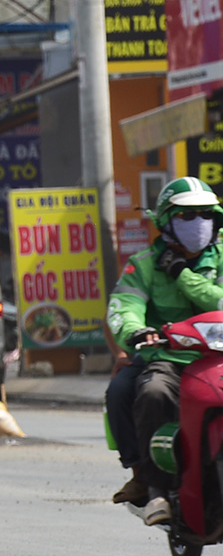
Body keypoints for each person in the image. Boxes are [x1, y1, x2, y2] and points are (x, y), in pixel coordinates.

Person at [107, 177, 223, 524]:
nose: (197, 224)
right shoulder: (142, 263)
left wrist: (182, 274)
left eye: (204, 215)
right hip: (169, 360)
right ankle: (153, 485)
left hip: (217, 359)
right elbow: (123, 307)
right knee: (148, 393)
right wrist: (135, 331)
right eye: (186, 216)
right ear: (166, 222)